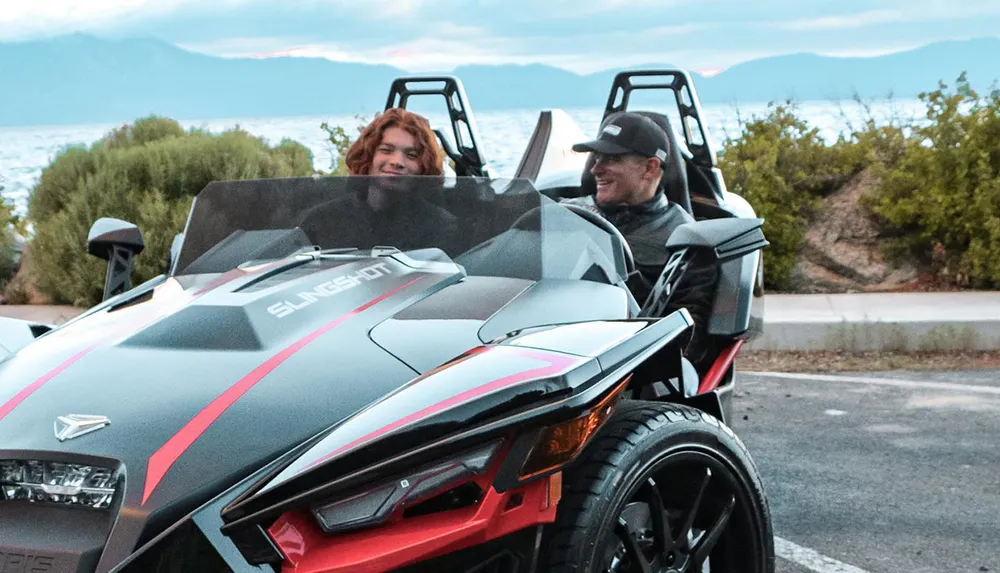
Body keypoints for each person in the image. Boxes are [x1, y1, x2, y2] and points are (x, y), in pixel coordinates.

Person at [562, 112, 719, 367]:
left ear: (650, 167)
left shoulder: (687, 241)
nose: (595, 169)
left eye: (612, 159)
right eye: (597, 157)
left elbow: (687, 341)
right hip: (549, 351)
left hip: (617, 370)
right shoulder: (565, 213)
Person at [299, 108, 459, 252]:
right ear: (367, 157)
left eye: (411, 155)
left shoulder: (439, 226)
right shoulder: (323, 221)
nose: (397, 161)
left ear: (424, 165)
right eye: (386, 150)